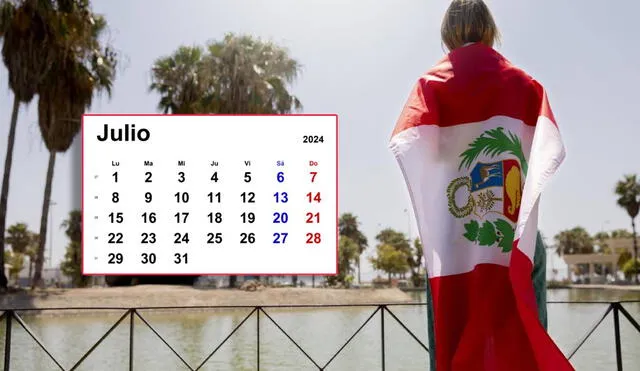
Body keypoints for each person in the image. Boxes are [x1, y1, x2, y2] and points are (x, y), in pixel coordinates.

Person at [389, 1, 573, 370]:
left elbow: (408, 145)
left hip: (453, 238)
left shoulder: (430, 86)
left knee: (450, 329)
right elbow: (546, 145)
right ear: (490, 29)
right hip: (514, 234)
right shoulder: (524, 83)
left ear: (447, 34)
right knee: (522, 327)